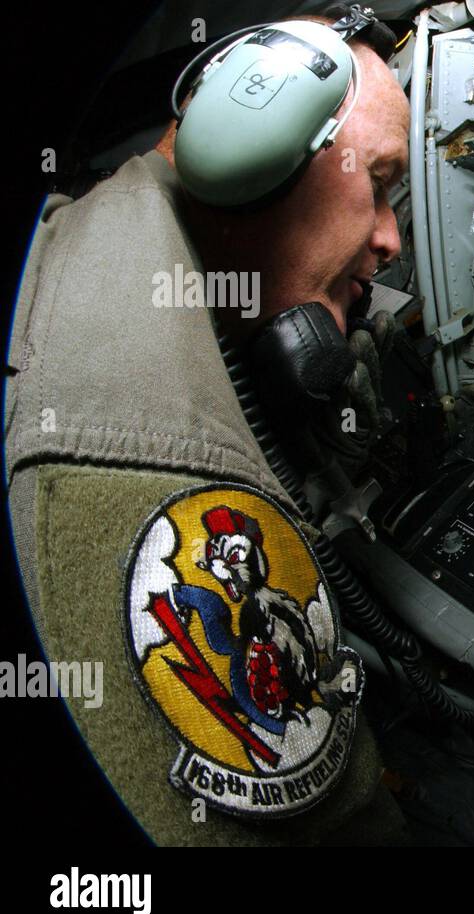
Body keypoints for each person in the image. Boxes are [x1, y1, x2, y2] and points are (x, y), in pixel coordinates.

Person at [3, 10, 410, 844]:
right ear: (247, 154)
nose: (391, 239)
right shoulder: (160, 476)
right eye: (378, 182)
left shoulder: (109, 219)